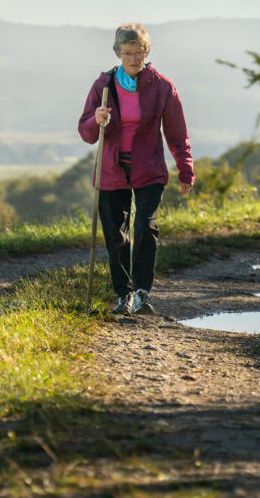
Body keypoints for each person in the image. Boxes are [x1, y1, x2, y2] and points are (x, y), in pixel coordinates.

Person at [78, 23, 195, 316]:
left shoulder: (162, 86)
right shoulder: (103, 85)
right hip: (111, 170)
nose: (133, 58)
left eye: (138, 52)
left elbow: (177, 133)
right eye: (127, 52)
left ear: (146, 52)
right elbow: (86, 133)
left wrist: (185, 169)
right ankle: (124, 294)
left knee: (145, 228)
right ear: (118, 53)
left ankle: (143, 292)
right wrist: (97, 118)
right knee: (116, 236)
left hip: (148, 169)